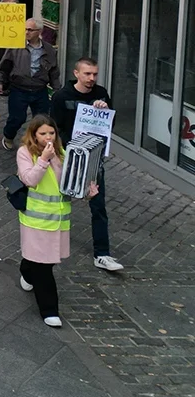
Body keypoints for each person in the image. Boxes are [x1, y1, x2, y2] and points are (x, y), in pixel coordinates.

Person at [15, 115, 98, 328]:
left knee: (44, 260)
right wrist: (43, 159)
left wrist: (87, 193)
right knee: (44, 268)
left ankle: (26, 271)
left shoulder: (62, 154)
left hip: (59, 218)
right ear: (34, 135)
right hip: (36, 219)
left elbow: (70, 185)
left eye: (51, 133)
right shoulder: (25, 153)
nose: (48, 137)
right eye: (43, 133)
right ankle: (49, 309)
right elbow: (30, 180)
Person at [49, 57, 122, 272]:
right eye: (87, 74)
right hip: (69, 158)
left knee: (98, 206)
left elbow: (110, 125)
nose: (92, 78)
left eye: (95, 74)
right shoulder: (62, 96)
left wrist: (105, 110)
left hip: (93, 160)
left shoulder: (101, 93)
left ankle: (102, 254)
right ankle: (49, 248)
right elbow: (55, 128)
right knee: (58, 203)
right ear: (76, 74)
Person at [0, 19, 60, 148]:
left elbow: (54, 71)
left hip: (39, 89)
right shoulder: (16, 46)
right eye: (25, 29)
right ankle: (8, 136)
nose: (26, 32)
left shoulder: (48, 49)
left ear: (39, 32)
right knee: (17, 118)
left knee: (41, 120)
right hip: (19, 89)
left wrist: (56, 88)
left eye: (30, 30)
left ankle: (37, 144)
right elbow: (4, 66)